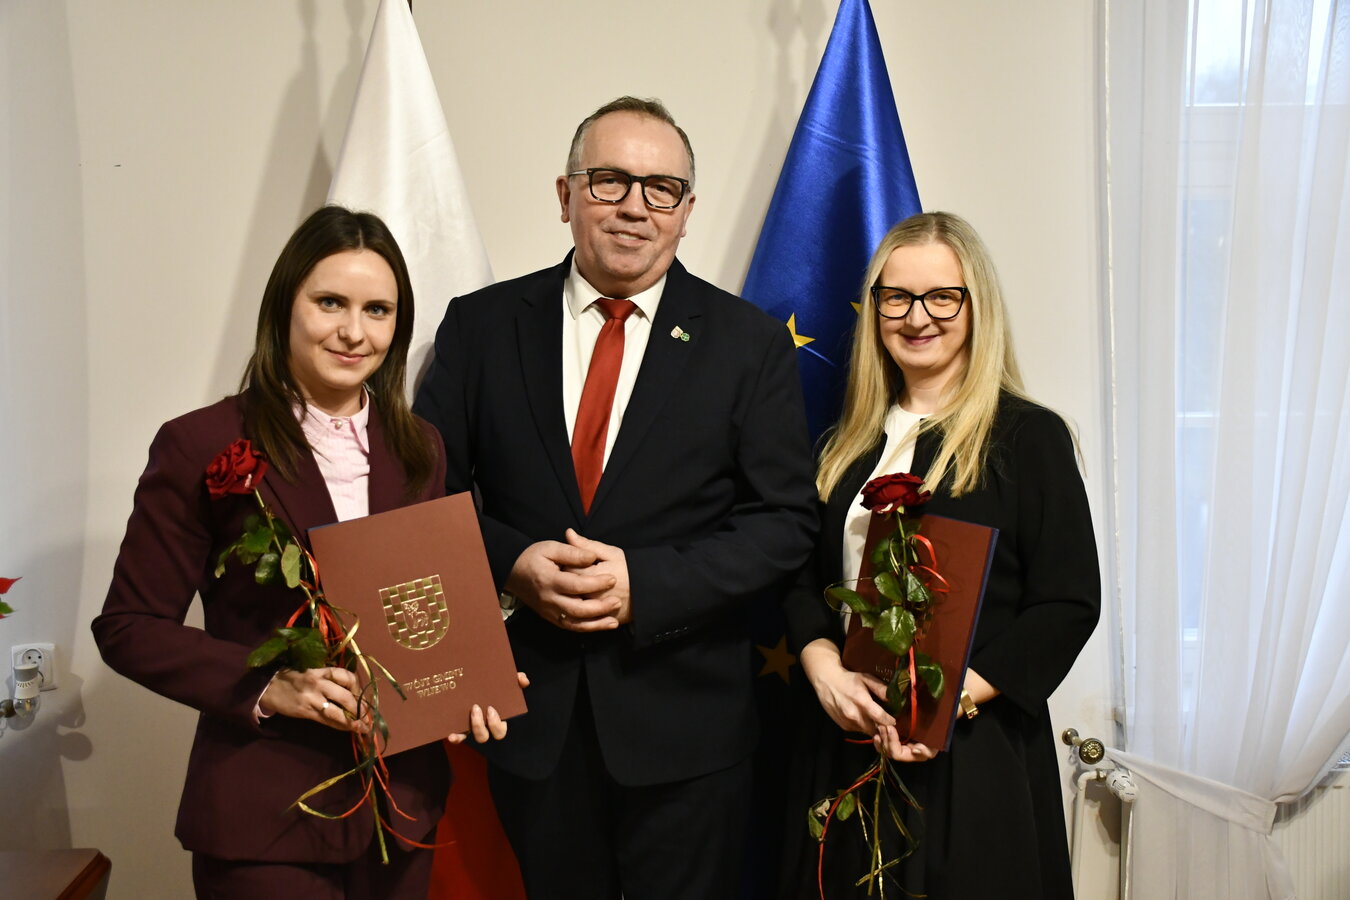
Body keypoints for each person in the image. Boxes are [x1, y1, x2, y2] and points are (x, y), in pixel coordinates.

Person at [414, 96, 818, 899]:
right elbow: (422, 495)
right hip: (532, 721)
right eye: (609, 181)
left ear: (686, 212)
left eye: (661, 188)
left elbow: (784, 522)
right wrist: (513, 564)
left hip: (690, 732)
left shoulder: (749, 344)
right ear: (565, 195)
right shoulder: (481, 327)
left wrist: (646, 585)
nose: (636, 206)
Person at [93, 205, 513, 899]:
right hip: (266, 812)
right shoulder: (201, 443)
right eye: (330, 303)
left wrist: (472, 683)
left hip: (401, 808)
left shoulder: (420, 447)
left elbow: (421, 612)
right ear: (284, 306)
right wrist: (270, 686)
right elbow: (127, 627)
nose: (354, 332)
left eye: (378, 310)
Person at [781, 212, 1100, 898]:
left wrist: (951, 699)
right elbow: (801, 580)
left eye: (941, 297)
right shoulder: (843, 446)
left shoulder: (1028, 437)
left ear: (975, 306)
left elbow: (1067, 602)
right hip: (849, 743)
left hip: (973, 756)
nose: (917, 317)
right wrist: (821, 665)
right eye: (896, 297)